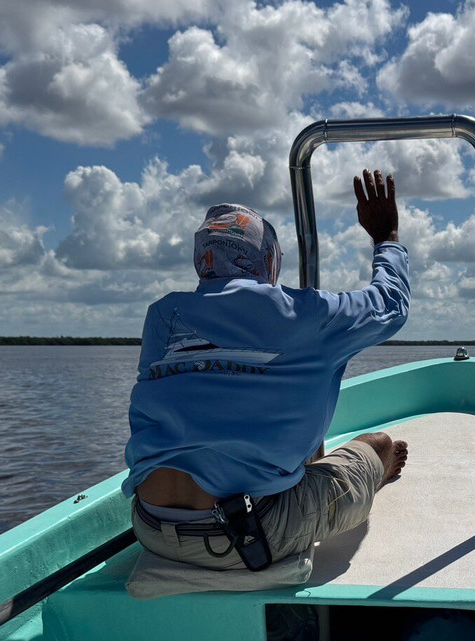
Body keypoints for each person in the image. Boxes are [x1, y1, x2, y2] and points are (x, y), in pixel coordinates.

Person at [122, 169, 409, 572]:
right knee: (377, 444)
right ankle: (368, 474)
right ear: (267, 259)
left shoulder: (162, 317)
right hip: (247, 534)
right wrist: (386, 236)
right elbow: (391, 306)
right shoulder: (303, 315)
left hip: (150, 525)